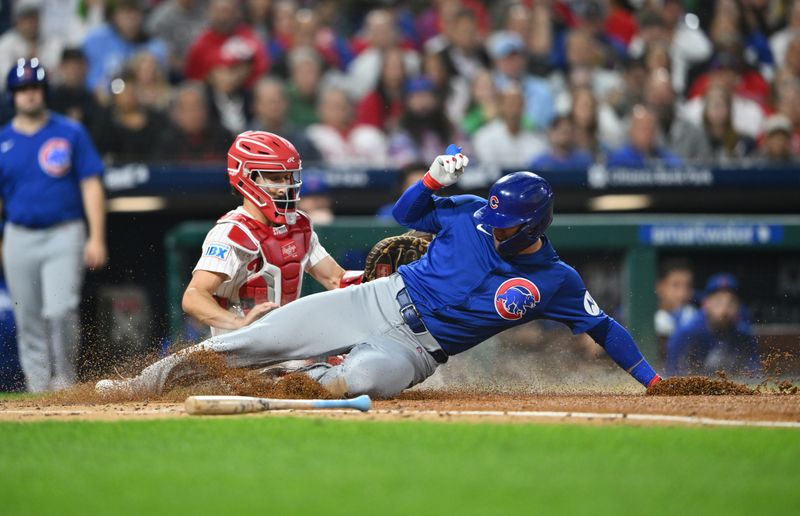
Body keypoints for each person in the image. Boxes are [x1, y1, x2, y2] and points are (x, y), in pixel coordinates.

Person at [97, 150, 662, 398]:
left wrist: (653, 382)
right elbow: (405, 216)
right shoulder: (469, 212)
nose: (491, 224)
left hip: (419, 352)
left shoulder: (556, 280)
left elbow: (604, 327)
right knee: (252, 339)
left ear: (533, 226)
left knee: (358, 382)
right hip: (377, 298)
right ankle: (138, 386)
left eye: (504, 223)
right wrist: (432, 181)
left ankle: (268, 391)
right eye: (489, 213)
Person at [176, 130, 359, 340]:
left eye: (287, 177)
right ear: (247, 177)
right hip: (239, 355)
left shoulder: (299, 226)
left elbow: (336, 279)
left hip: (284, 352)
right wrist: (239, 323)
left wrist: (385, 278)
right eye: (274, 178)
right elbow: (193, 296)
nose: (284, 188)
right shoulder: (231, 233)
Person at [1, 59, 106, 392]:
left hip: (64, 231)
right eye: (22, 89)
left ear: (44, 92)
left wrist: (96, 237)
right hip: (18, 233)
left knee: (60, 310)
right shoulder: (2, 140)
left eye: (34, 88)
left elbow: (91, 184)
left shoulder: (69, 132)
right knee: (27, 317)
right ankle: (37, 388)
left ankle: (63, 382)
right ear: (13, 95)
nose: (29, 95)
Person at [665, 273, 760, 377]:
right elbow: (673, 376)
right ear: (706, 303)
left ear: (739, 306)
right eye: (718, 302)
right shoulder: (687, 334)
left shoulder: (744, 334)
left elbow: (754, 376)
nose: (724, 310)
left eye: (731, 302)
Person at [654, 258, 697, 339]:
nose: (682, 293)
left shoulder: (696, 317)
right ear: (660, 287)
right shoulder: (648, 317)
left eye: (688, 286)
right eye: (675, 285)